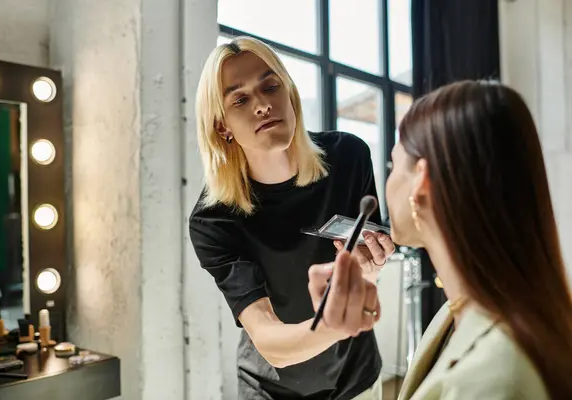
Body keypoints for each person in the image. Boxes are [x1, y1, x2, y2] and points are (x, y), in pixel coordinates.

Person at [308, 80, 572, 399]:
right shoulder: (459, 312)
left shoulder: (493, 378)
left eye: (393, 165)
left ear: (421, 180)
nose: (387, 182)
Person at [189, 36, 395, 400]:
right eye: (240, 99)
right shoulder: (214, 219)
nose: (263, 105)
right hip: (272, 387)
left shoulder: (349, 157)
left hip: (356, 375)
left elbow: (363, 266)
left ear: (289, 93)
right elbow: (268, 340)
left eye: (271, 86)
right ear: (222, 126)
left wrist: (369, 271)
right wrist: (337, 324)